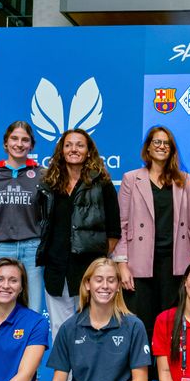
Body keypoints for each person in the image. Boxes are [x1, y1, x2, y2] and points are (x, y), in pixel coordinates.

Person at [113, 125, 190, 357]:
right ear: (148, 148)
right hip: (139, 262)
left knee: (171, 321)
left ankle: (167, 377)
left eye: (166, 143)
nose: (162, 146)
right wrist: (121, 263)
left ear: (172, 149)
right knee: (140, 321)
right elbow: (121, 223)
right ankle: (140, 377)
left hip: (175, 262)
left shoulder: (184, 180)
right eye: (157, 142)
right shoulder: (131, 179)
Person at [37, 128, 120, 340]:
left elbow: (113, 230)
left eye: (80, 145)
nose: (74, 149)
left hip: (89, 268)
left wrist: (98, 261)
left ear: (88, 151)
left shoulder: (102, 183)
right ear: (61, 150)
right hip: (56, 268)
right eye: (68, 145)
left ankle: (89, 373)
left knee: (92, 325)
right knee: (60, 329)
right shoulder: (49, 183)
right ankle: (65, 374)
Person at [0, 121, 45, 314]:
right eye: (14, 138)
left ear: (31, 145)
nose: (19, 144)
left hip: (32, 247)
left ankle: (30, 345)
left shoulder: (43, 174)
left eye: (25, 140)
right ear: (5, 143)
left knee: (32, 308)